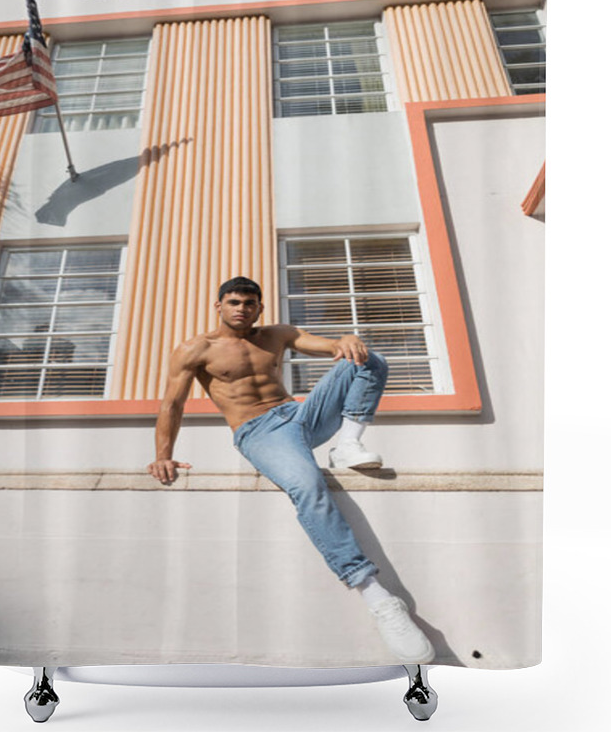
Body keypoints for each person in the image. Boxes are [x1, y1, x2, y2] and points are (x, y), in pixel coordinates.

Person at [147, 276, 434, 663]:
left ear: (259, 308)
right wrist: (163, 453)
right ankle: (378, 598)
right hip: (259, 431)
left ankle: (347, 443)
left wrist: (346, 338)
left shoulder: (277, 334)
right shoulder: (196, 349)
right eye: (233, 302)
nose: (241, 309)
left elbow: (329, 347)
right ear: (219, 306)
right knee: (308, 487)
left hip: (299, 415)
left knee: (368, 357)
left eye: (249, 303)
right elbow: (172, 404)